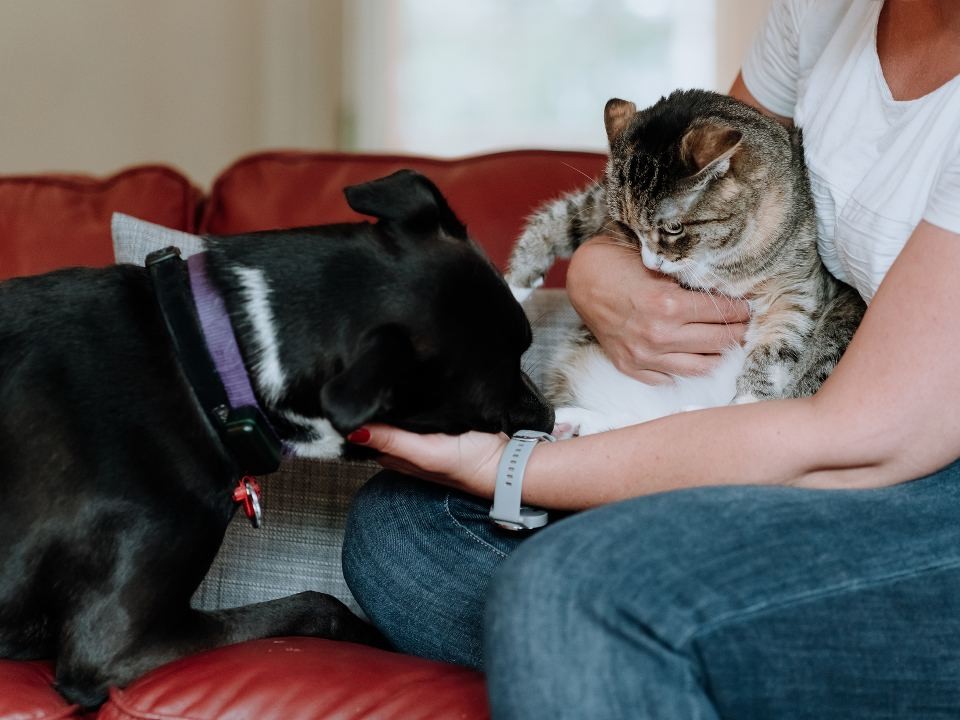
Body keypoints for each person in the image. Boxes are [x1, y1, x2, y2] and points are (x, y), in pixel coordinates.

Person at [342, 0, 960, 716]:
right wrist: (598, 268)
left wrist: (508, 467)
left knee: (570, 593)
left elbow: (861, 439)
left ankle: (625, 643)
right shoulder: (822, 11)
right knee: (405, 536)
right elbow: (675, 182)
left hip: (909, 465)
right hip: (830, 425)